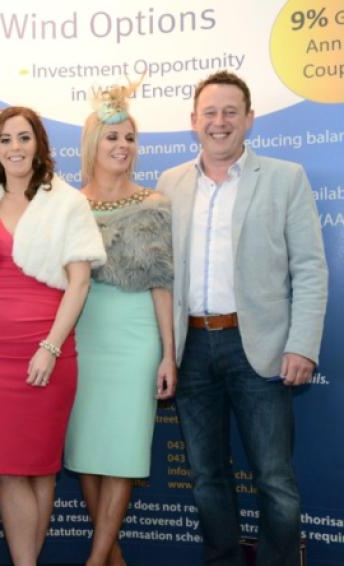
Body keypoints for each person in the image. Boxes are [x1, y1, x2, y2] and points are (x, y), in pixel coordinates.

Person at [156, 70, 328, 566]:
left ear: (250, 120)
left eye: (231, 111)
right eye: (209, 112)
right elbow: (162, 277)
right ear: (193, 121)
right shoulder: (170, 184)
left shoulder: (284, 177)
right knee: (207, 476)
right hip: (191, 350)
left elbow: (311, 270)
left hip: (262, 349)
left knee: (274, 478)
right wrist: (163, 350)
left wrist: (302, 344)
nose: (219, 121)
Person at [0, 106, 105, 566]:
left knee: (41, 470)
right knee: (8, 470)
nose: (15, 148)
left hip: (51, 349)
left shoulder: (67, 202)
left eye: (24, 137)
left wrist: (50, 348)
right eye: (5, 140)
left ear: (39, 143)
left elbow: (79, 283)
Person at [63, 85, 176, 566]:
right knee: (88, 449)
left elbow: (162, 283)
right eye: (112, 137)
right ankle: (112, 558)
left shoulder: (156, 202)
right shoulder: (66, 204)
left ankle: (96, 560)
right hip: (82, 331)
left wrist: (169, 353)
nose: (122, 146)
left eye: (129, 138)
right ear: (93, 144)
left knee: (124, 451)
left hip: (135, 338)